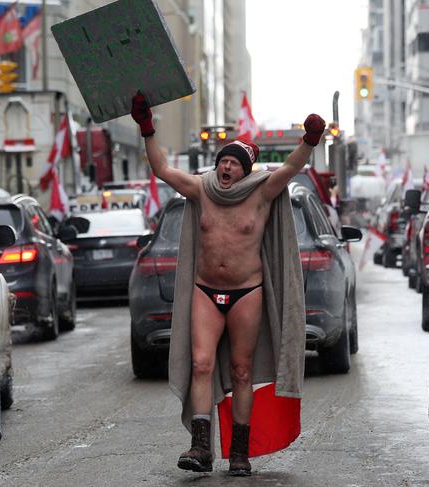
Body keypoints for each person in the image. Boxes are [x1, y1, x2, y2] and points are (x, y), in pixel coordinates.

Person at [131, 93, 325, 476]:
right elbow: (163, 171)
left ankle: (239, 453)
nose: (226, 167)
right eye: (223, 161)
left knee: (241, 372)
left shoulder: (261, 193)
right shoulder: (202, 190)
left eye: (234, 163)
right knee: (201, 363)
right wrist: (146, 128)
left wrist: (310, 141)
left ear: (246, 170)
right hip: (205, 290)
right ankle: (200, 447)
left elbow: (290, 169)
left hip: (246, 292)